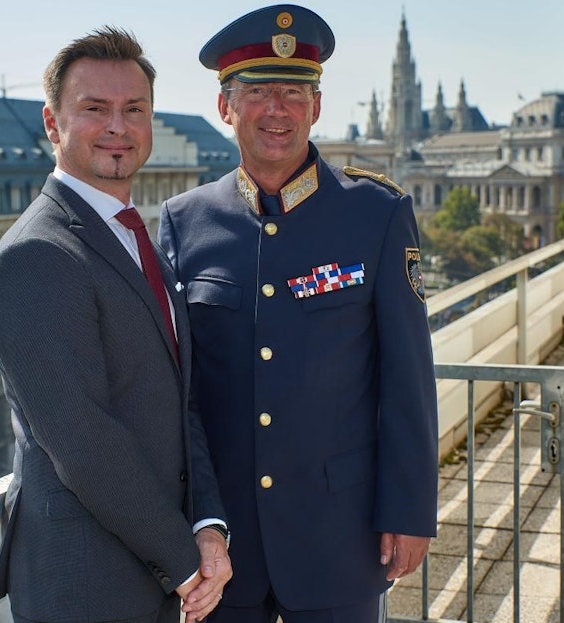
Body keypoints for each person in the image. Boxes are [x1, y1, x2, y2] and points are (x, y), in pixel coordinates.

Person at [158, 5, 438, 622]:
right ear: (226, 105)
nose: (277, 110)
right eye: (257, 92)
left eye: (294, 92)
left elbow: (408, 377)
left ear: (317, 105)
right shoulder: (184, 221)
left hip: (341, 537)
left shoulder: (376, 214)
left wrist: (410, 510)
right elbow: (179, 391)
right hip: (221, 547)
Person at [0, 26, 231, 623]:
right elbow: (82, 439)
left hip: (157, 573)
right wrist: (188, 559)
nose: (118, 126)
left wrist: (209, 524)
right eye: (95, 109)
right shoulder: (36, 254)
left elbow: (180, 401)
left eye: (134, 109)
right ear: (52, 124)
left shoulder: (131, 236)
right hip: (87, 584)